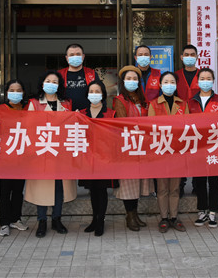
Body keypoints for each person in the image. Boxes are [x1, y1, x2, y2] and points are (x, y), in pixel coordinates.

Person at [25, 71, 77, 238]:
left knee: (59, 187)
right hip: (42, 151)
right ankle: (42, 221)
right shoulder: (34, 103)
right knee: (42, 188)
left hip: (61, 152)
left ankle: (57, 219)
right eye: (48, 81)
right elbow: (29, 127)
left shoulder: (66, 103)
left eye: (55, 82)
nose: (51, 84)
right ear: (42, 83)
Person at [112, 66, 154, 231]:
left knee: (137, 183)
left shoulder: (143, 100)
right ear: (123, 82)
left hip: (143, 147)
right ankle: (129, 215)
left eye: (135, 79)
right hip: (128, 147)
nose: (132, 81)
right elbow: (122, 123)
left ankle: (135, 214)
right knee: (128, 183)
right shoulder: (119, 100)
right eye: (128, 79)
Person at [188, 68, 218, 228]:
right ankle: (202, 211)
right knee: (199, 181)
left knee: (213, 181)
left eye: (208, 78)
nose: (205, 81)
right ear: (198, 81)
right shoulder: (191, 102)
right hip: (197, 147)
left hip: (214, 147)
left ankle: (213, 211)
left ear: (213, 81)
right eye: (202, 78)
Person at [148, 71, 189, 233]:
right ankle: (164, 218)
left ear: (176, 85)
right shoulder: (154, 104)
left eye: (172, 82)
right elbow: (150, 129)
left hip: (178, 152)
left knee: (175, 187)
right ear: (160, 85)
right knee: (162, 187)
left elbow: (188, 127)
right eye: (166, 82)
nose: (169, 84)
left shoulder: (183, 104)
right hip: (161, 151)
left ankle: (174, 217)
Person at [79, 81, 116, 237]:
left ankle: (101, 220)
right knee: (92, 190)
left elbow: (115, 136)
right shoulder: (81, 113)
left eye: (97, 91)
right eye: (91, 91)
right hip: (88, 159)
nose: (94, 94)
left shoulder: (111, 113)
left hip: (104, 159)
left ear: (103, 94)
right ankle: (94, 219)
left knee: (102, 190)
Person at [0, 79, 29, 237]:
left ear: (23, 92)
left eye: (19, 90)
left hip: (22, 157)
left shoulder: (28, 109)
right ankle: (4, 222)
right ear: (7, 92)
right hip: (5, 157)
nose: (15, 93)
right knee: (4, 191)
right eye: (12, 90)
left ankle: (16, 218)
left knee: (18, 191)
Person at [176, 44, 199, 196]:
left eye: (192, 54)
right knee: (181, 153)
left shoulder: (203, 75)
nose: (189, 57)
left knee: (197, 153)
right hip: (180, 120)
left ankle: (197, 185)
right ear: (181, 57)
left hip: (198, 120)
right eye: (186, 54)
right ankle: (180, 184)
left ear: (197, 57)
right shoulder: (176, 76)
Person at [58, 43, 100, 111]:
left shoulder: (92, 74)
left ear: (83, 56)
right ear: (66, 58)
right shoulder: (59, 75)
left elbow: (100, 94)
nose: (75, 57)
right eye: (72, 55)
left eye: (78, 54)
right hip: (65, 114)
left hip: (88, 114)